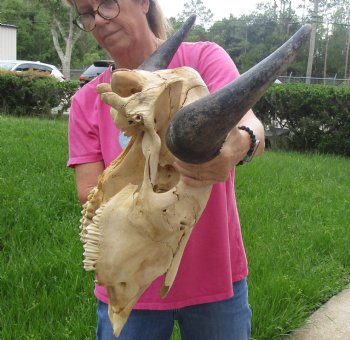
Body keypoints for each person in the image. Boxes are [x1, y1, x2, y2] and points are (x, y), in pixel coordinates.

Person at [66, 0, 265, 339]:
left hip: (215, 276)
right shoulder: (88, 99)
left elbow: (252, 127)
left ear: (143, 1)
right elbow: (89, 191)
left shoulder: (203, 59)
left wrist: (239, 145)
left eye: (108, 4)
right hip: (129, 278)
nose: (98, 19)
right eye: (87, 12)